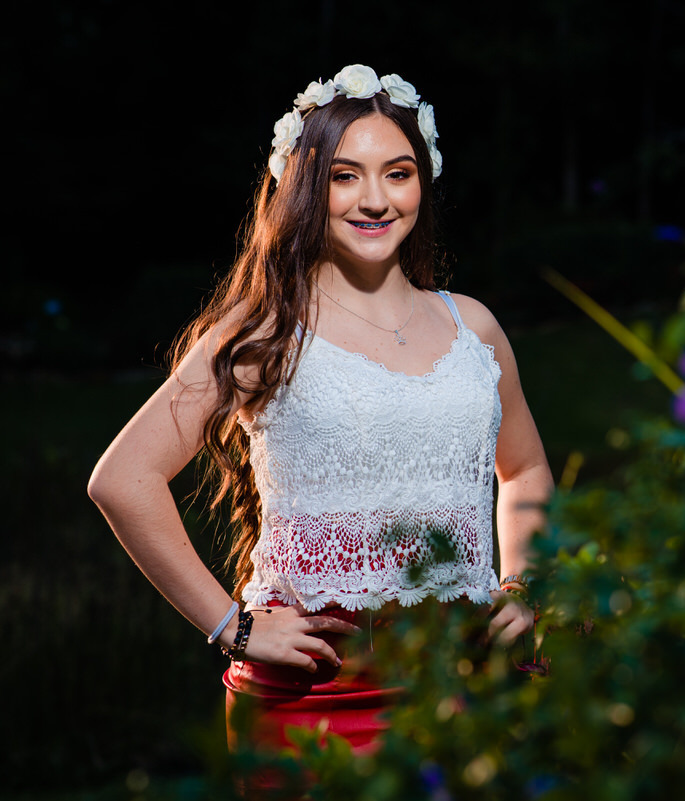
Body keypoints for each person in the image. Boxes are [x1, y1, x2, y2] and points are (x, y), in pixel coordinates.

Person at [87, 64, 553, 774]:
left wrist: (523, 585)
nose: (374, 199)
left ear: (422, 184)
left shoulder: (475, 328)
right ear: (306, 188)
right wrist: (232, 624)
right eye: (345, 176)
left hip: (467, 684)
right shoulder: (264, 330)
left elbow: (524, 470)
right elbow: (122, 478)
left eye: (397, 173)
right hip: (316, 697)